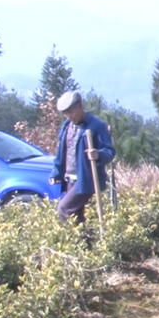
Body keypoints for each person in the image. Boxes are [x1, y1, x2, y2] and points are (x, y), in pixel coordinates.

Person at [49, 91, 116, 235]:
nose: (69, 116)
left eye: (71, 112)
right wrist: (56, 171)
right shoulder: (67, 126)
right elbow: (62, 151)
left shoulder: (97, 126)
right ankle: (86, 247)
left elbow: (110, 151)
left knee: (64, 208)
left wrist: (98, 154)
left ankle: (73, 241)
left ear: (80, 106)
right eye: (66, 114)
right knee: (76, 215)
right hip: (70, 178)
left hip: (87, 179)